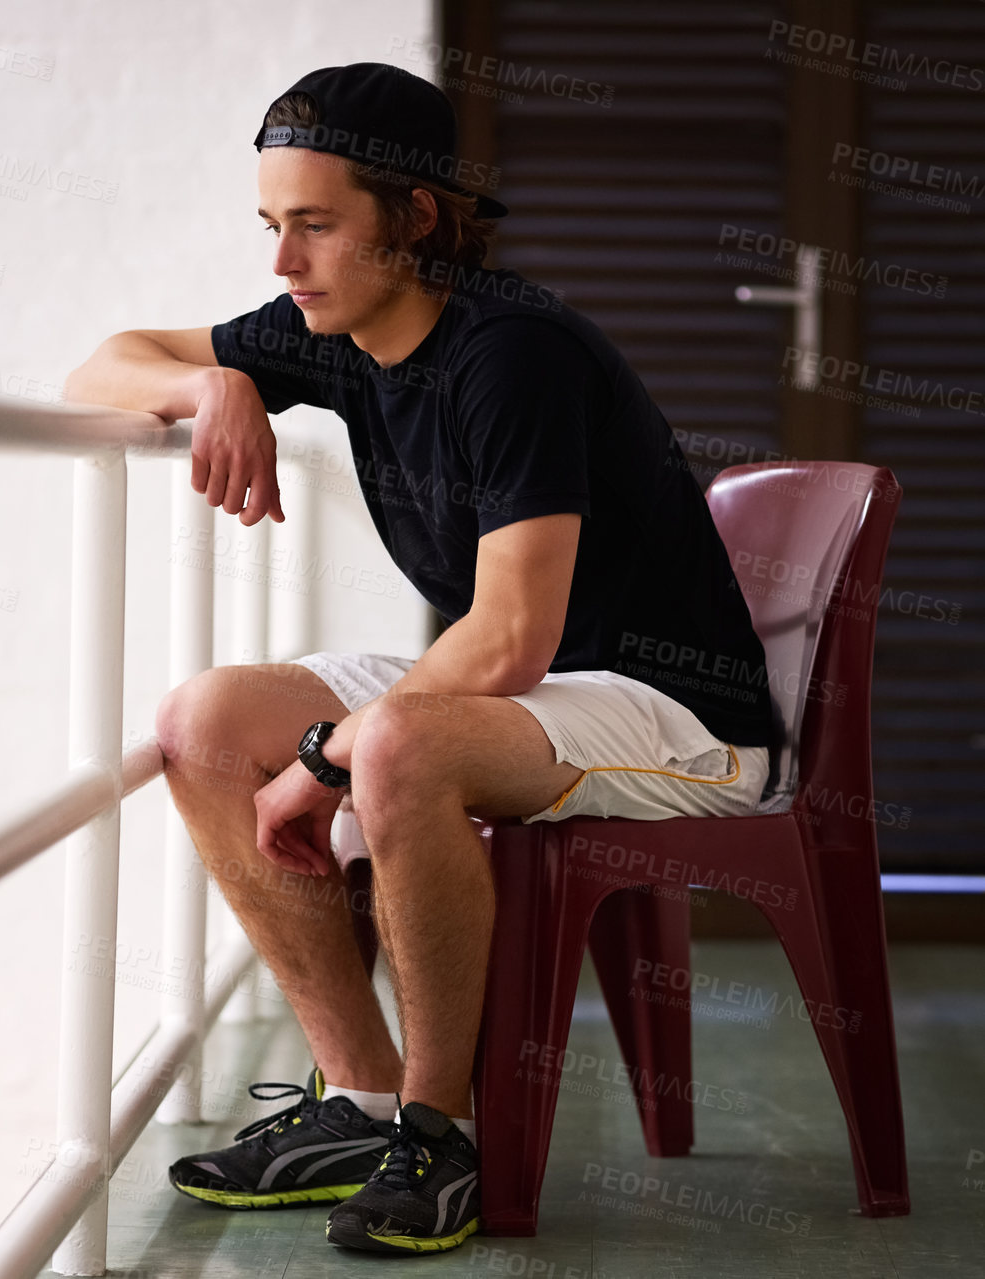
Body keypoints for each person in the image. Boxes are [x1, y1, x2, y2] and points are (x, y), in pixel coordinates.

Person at [63, 60, 774, 1256]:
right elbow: (100, 363)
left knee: (390, 741)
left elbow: (506, 638)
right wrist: (216, 381)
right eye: (271, 226)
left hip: (673, 709)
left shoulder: (513, 355)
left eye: (316, 226)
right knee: (203, 719)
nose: (282, 264)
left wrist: (323, 760)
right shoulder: (334, 337)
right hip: (536, 692)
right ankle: (362, 1101)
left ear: (417, 216)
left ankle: (440, 1138)